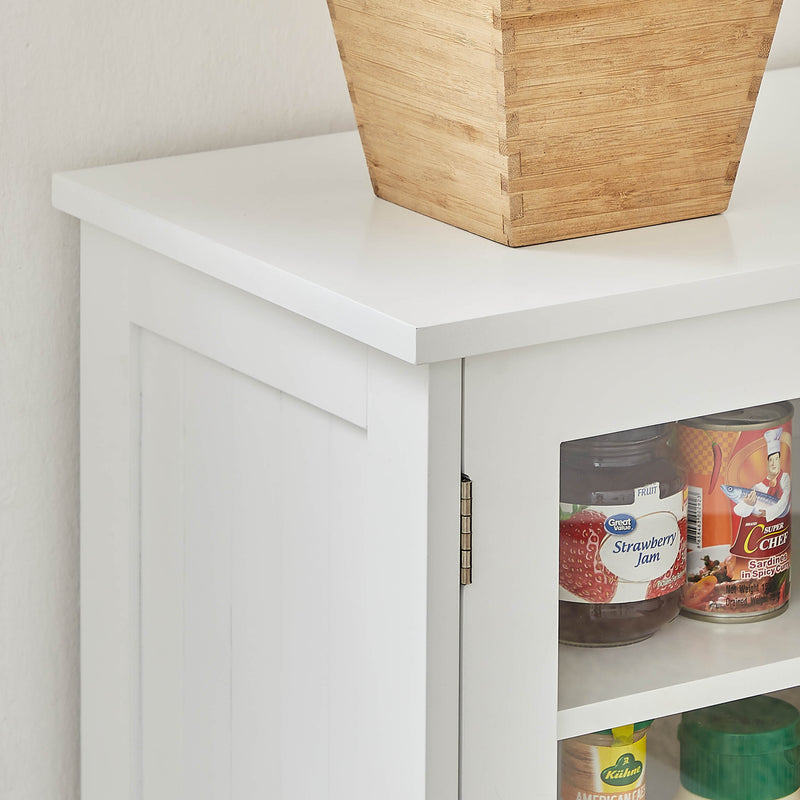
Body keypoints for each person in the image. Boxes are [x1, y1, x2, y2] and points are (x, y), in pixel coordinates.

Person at [733, 427, 791, 522]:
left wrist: (768, 513)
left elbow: (784, 501)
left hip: (779, 525)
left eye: (776, 459)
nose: (773, 463)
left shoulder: (785, 478)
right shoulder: (758, 487)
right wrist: (747, 505)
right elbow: (738, 511)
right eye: (771, 460)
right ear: (767, 463)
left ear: (780, 461)